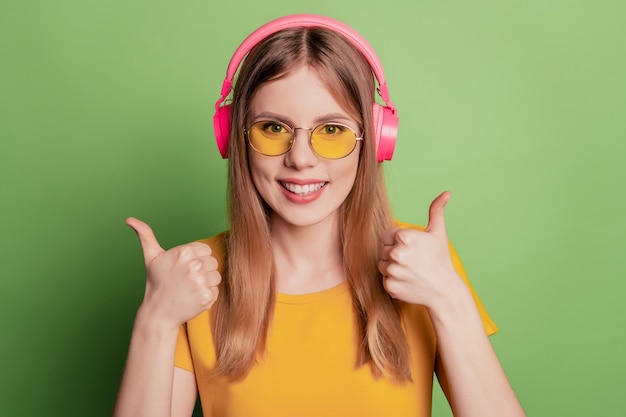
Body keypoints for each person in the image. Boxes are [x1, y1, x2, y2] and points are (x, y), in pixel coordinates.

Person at [113, 14, 526, 417]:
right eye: (273, 128)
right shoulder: (193, 276)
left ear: (376, 141)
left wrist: (449, 299)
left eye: (332, 130)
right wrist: (157, 317)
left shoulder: (424, 264)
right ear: (234, 137)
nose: (301, 159)